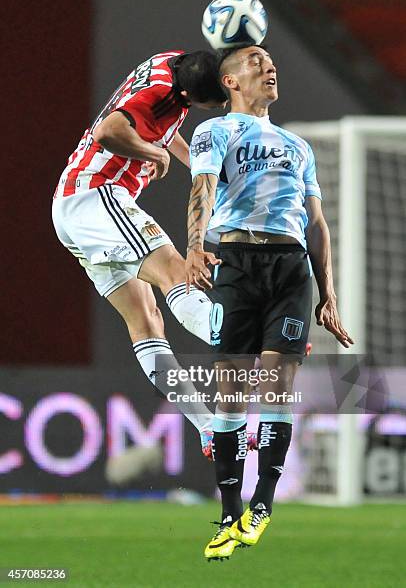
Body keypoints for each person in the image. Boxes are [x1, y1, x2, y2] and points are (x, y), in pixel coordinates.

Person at [185, 44, 353, 560]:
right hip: (234, 264)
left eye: (270, 61)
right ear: (230, 81)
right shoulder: (214, 131)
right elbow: (204, 187)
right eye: (256, 61)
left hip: (289, 268)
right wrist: (195, 247)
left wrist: (329, 294)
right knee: (232, 394)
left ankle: (262, 505)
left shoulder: (297, 146)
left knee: (279, 385)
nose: (269, 65)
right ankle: (230, 513)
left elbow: (317, 222)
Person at [52, 49, 230, 458]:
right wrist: (154, 154)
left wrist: (190, 161)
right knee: (177, 274)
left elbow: (161, 126)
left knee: (147, 321)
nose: (214, 106)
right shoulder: (164, 92)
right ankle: (247, 339)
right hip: (96, 194)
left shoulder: (173, 62)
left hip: (73, 208)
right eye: (210, 100)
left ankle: (207, 427)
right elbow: (110, 130)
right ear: (189, 92)